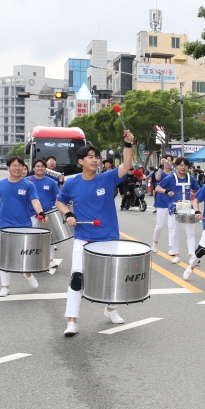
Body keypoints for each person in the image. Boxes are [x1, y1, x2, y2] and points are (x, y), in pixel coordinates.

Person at [56, 130, 135, 337]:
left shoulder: (106, 179)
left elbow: (126, 166)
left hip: (108, 237)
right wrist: (68, 214)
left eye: (97, 157)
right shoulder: (72, 182)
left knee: (111, 278)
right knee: (76, 278)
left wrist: (128, 145)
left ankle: (110, 309)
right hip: (83, 237)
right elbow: (60, 201)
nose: (95, 160)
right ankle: (72, 321)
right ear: (81, 161)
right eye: (90, 157)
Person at [0, 156, 48, 296]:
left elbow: (35, 201)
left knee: (24, 253)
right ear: (8, 168)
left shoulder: (28, 185)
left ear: (23, 168)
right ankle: (5, 286)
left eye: (20, 165)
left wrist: (41, 213)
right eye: (14, 165)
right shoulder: (0, 185)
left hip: (24, 225)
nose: (17, 168)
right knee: (5, 256)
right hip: (6, 225)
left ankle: (28, 274)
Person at [154, 157, 201, 263]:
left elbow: (198, 190)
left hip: (188, 207)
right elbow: (157, 188)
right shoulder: (171, 177)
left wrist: (198, 198)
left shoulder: (191, 178)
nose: (183, 167)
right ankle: (177, 255)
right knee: (175, 232)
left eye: (185, 165)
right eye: (181, 165)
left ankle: (191, 256)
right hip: (175, 207)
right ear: (176, 166)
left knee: (190, 232)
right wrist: (167, 191)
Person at [27, 158, 60, 265]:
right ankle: (32, 258)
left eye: (42, 166)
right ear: (33, 168)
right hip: (31, 214)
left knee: (49, 238)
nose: (40, 168)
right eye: (37, 166)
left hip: (47, 214)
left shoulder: (51, 182)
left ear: (45, 168)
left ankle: (50, 259)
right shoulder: (27, 181)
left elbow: (59, 196)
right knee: (31, 238)